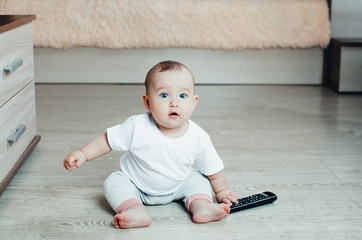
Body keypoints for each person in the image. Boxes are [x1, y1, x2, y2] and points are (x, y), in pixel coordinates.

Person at [63, 60, 238, 229]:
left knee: (199, 178)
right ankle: (134, 209)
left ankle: (201, 207)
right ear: (147, 102)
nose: (174, 102)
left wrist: (222, 190)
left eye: (183, 95)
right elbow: (107, 140)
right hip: (136, 184)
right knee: (113, 182)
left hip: (179, 185)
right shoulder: (136, 126)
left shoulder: (198, 136)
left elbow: (213, 168)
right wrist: (84, 154)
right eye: (164, 95)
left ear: (194, 102)